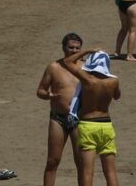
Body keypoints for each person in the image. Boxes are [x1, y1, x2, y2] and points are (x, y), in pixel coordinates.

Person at [61, 50, 121, 186]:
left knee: (87, 172)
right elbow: (117, 96)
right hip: (106, 125)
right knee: (110, 172)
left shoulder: (87, 80)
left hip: (88, 125)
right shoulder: (114, 81)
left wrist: (88, 50)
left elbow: (67, 62)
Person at [36, 33, 84, 186]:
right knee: (52, 160)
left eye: (77, 48)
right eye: (71, 47)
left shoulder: (86, 67)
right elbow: (40, 91)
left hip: (80, 119)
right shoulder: (54, 67)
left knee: (82, 162)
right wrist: (49, 95)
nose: (74, 50)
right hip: (58, 119)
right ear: (64, 48)